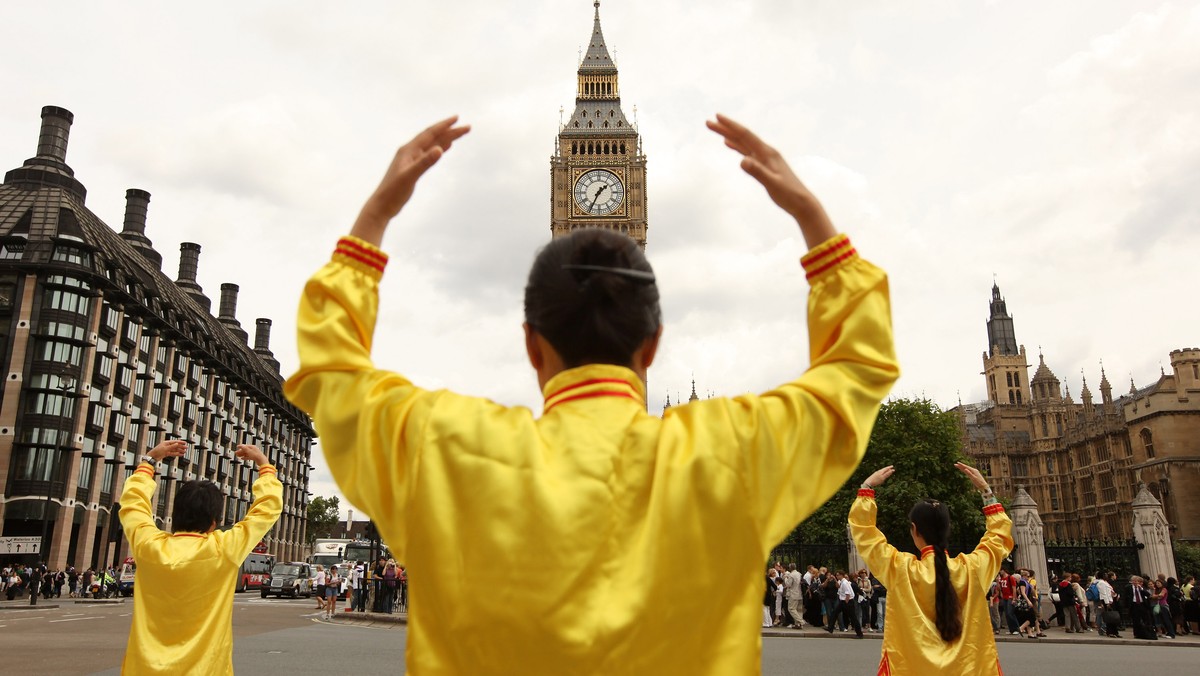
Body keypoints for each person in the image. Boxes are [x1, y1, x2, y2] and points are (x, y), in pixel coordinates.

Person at [282, 114, 899, 673]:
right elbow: (857, 367)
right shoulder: (729, 451)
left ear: (531, 343)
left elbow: (332, 371)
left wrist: (375, 218)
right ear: (653, 343)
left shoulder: (440, 444)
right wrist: (814, 221)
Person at [118, 439, 282, 674]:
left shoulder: (148, 546)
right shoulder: (223, 548)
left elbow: (133, 503)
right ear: (214, 522)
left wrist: (150, 461)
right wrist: (264, 465)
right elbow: (267, 508)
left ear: (175, 515)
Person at [849, 463, 1014, 675]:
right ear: (948, 529)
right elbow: (999, 537)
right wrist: (986, 492)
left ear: (914, 530)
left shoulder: (900, 568)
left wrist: (867, 487)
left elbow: (865, 534)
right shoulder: (972, 568)